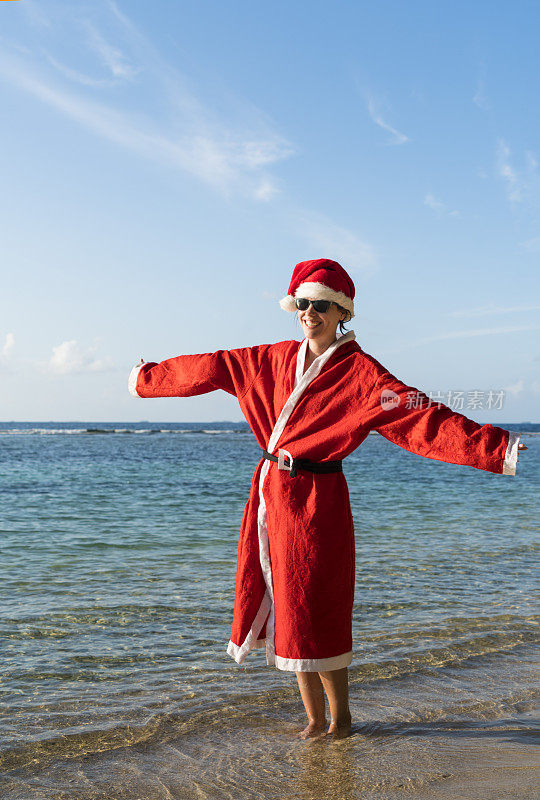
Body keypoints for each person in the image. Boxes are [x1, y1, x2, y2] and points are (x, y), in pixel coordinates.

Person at [128, 258, 527, 740]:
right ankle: (314, 720)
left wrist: (494, 445)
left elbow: (425, 418)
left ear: (341, 312)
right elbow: (208, 367)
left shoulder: (363, 376)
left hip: (320, 501)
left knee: (319, 605)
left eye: (319, 304)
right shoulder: (270, 359)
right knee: (290, 606)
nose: (308, 312)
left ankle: (342, 719)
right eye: (301, 303)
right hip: (274, 494)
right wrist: (146, 378)